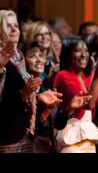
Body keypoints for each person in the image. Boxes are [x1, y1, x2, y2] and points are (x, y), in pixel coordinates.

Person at [0, 10, 62, 153]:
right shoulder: (4, 61)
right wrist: (24, 93)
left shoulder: (19, 58)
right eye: (8, 26)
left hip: (24, 136)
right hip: (7, 140)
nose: (15, 29)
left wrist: (38, 98)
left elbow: (19, 102)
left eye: (16, 25)